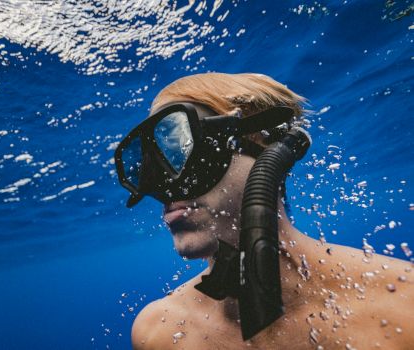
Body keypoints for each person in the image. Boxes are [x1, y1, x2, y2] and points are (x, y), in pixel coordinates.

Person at [115, 73, 414, 349]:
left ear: (268, 145)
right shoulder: (159, 332)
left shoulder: (403, 306)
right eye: (146, 167)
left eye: (180, 151)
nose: (162, 188)